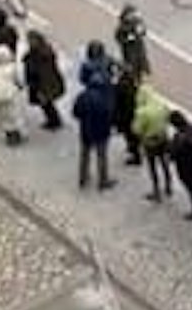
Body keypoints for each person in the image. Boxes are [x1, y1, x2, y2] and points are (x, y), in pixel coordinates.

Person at [72, 47, 117, 191]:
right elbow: (109, 115)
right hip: (101, 131)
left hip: (86, 130)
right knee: (101, 156)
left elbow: (76, 113)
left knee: (84, 154)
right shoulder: (104, 100)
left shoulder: (82, 96)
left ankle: (83, 178)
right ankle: (103, 181)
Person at [132, 81, 173, 202]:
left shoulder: (142, 112)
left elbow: (136, 129)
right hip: (163, 137)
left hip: (150, 141)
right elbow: (168, 118)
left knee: (152, 166)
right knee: (164, 163)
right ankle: (168, 186)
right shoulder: (161, 104)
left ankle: (156, 191)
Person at [23, 31, 65, 130]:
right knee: (46, 104)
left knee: (46, 104)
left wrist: (43, 90)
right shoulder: (41, 51)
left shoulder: (41, 55)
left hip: (42, 85)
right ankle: (54, 120)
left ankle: (54, 121)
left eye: (30, 40)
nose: (29, 42)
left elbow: (44, 74)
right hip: (41, 84)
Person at [0, 43, 25, 145]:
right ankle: (17, 135)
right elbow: (17, 81)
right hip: (11, 95)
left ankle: (9, 136)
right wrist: (20, 87)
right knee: (13, 114)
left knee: (3, 116)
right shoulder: (12, 68)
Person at [114, 64, 142, 166]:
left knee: (130, 135)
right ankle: (135, 149)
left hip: (126, 116)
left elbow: (117, 102)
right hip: (134, 113)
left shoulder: (120, 86)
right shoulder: (133, 84)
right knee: (134, 134)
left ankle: (136, 156)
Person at [115, 3, 150, 77]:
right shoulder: (122, 27)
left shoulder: (138, 22)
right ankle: (133, 76)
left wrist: (141, 32)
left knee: (141, 60)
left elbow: (143, 31)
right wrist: (129, 39)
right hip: (129, 50)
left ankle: (142, 71)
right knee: (132, 64)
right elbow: (119, 38)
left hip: (138, 47)